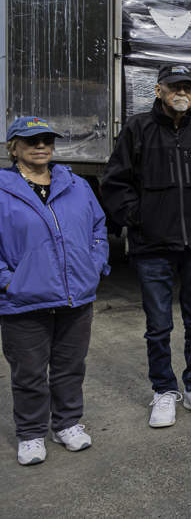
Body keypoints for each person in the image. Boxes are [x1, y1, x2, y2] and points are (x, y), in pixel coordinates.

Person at [102, 64, 191, 428]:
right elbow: (115, 182)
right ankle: (163, 390)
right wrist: (139, 217)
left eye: (187, 87)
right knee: (158, 327)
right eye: (175, 87)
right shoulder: (137, 128)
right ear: (159, 90)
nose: (182, 93)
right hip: (152, 246)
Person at [0, 117, 110, 465]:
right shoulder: (2, 189)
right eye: (31, 140)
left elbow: (98, 227)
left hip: (76, 296)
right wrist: (8, 280)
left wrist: (94, 266)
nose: (41, 146)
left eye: (47, 139)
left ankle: (66, 424)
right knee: (29, 372)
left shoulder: (76, 184)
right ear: (13, 148)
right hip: (24, 299)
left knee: (70, 366)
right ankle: (31, 433)